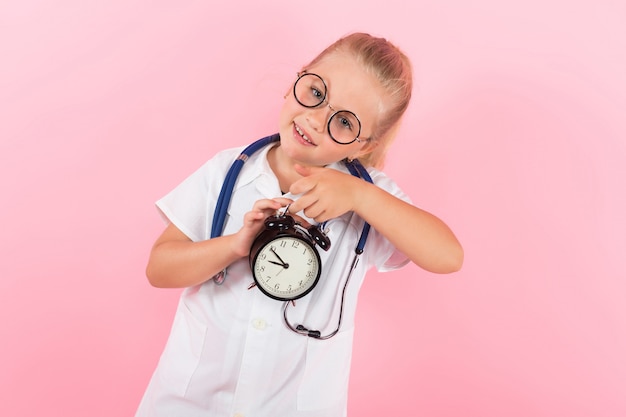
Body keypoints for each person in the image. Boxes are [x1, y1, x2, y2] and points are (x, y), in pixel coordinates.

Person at [135, 32, 463, 417]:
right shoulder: (227, 172)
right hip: (190, 404)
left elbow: (448, 256)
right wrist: (235, 245)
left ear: (363, 145)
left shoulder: (371, 197)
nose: (316, 119)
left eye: (344, 121)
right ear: (297, 79)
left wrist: (360, 196)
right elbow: (159, 268)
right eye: (316, 91)